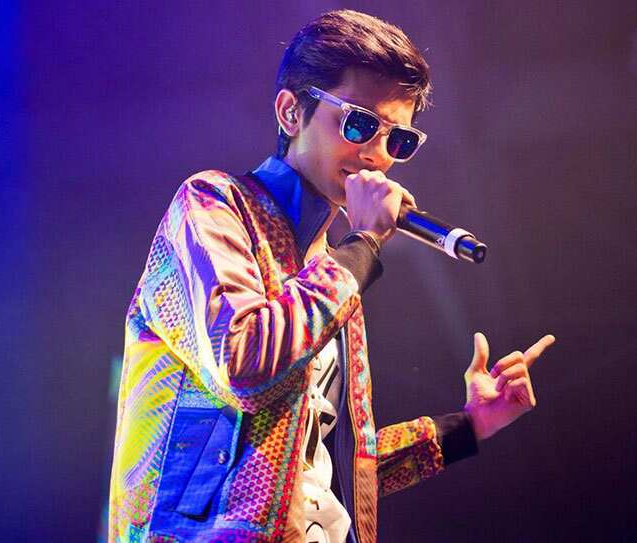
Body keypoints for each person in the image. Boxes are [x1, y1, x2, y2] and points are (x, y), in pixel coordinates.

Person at [108, 9, 555, 543]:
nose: (377, 156)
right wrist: (362, 244)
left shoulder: (334, 271)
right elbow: (244, 366)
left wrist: (472, 423)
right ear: (291, 112)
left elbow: (326, 472)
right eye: (359, 124)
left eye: (399, 140)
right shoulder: (214, 205)